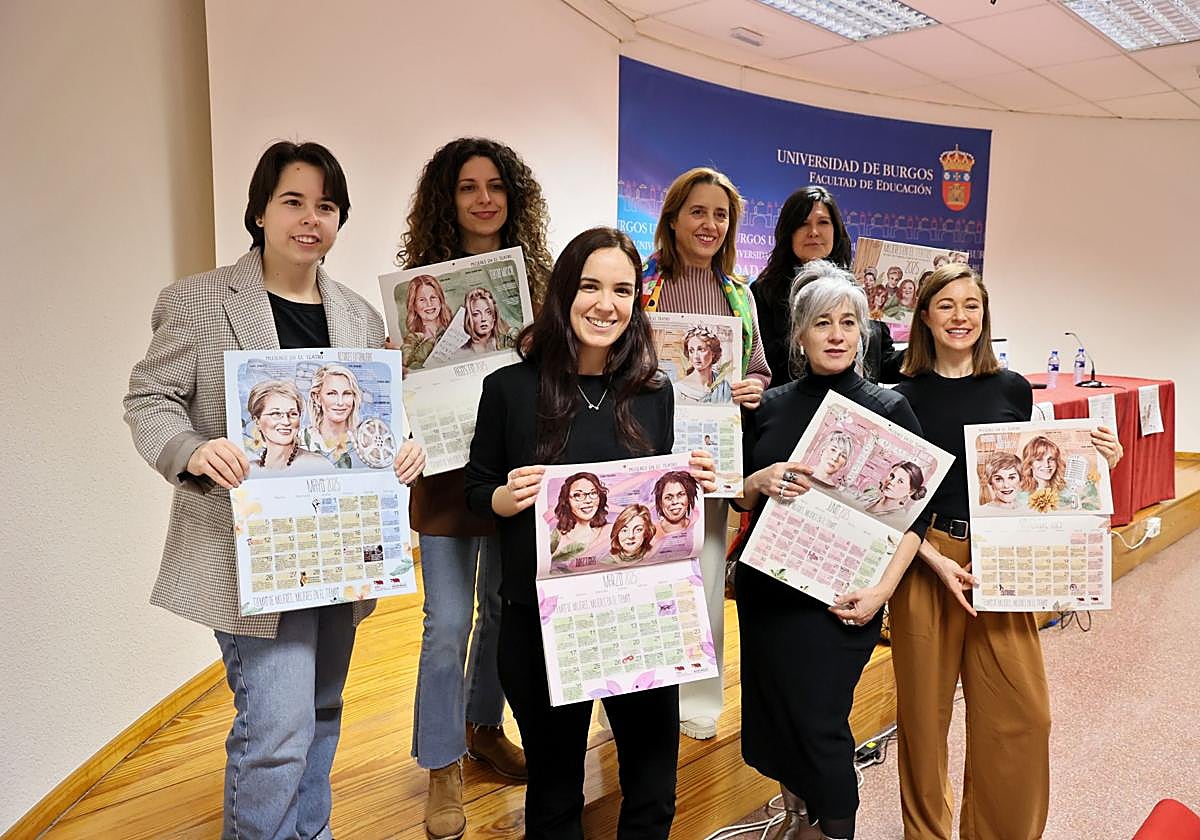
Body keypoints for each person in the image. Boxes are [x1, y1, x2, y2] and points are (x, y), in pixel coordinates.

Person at [124, 141, 425, 840]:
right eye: (293, 201)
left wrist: (400, 449)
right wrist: (194, 451)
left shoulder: (354, 313)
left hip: (338, 553)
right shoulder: (198, 300)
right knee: (277, 729)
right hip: (246, 555)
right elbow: (149, 400)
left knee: (320, 711)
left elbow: (369, 422)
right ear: (259, 211)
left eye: (326, 205)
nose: (309, 218)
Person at [464, 226, 716, 839]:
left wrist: (690, 483)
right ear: (563, 293)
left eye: (623, 290)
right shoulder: (509, 389)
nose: (606, 304)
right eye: (590, 286)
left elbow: (659, 504)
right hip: (544, 621)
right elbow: (475, 491)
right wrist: (503, 497)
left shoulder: (655, 392)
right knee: (553, 795)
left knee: (653, 786)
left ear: (637, 302)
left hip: (642, 617)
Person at [891, 263, 1122, 840]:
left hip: (1002, 555)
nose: (960, 317)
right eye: (945, 305)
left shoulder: (1013, 388)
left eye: (971, 305)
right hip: (926, 557)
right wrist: (929, 558)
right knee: (923, 720)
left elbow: (1037, 477)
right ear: (924, 315)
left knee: (1024, 714)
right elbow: (890, 495)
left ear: (985, 315)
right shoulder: (897, 393)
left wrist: (1099, 461)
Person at [732, 264, 925, 840]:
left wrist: (882, 594)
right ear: (798, 335)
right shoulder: (768, 407)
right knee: (776, 718)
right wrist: (758, 480)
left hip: (843, 599)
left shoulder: (889, 408)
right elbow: (734, 494)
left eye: (848, 322)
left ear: (864, 332)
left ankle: (835, 830)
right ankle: (797, 816)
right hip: (769, 591)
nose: (837, 334)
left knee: (820, 724)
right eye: (822, 323)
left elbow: (916, 518)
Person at [397, 137, 552, 840]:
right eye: (468, 187)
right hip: (443, 475)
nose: (484, 199)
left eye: (495, 186)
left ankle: (483, 727)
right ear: (446, 199)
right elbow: (396, 388)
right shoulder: (414, 293)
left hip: (512, 475)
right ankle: (442, 764)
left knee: (499, 610)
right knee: (447, 622)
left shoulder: (539, 284)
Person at [643, 166, 772, 740]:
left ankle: (697, 697)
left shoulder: (738, 294)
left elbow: (761, 368)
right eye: (698, 211)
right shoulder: (643, 284)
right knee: (644, 571)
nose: (709, 224)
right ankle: (640, 688)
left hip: (712, 458)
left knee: (705, 570)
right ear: (672, 217)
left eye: (721, 215)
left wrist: (753, 386)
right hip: (644, 452)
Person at [754, 186, 901, 386]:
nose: (813, 232)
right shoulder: (764, 292)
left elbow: (883, 363)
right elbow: (762, 367)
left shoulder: (861, 289)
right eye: (803, 224)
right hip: (795, 410)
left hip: (860, 410)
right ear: (788, 232)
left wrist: (930, 349)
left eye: (823, 222)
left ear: (836, 229)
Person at [246, 380, 331, 475]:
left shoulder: (318, 465)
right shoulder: (250, 470)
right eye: (276, 414)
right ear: (257, 421)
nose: (286, 422)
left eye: (293, 414)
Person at [301, 363, 365, 468]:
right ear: (317, 397)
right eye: (332, 394)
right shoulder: (300, 440)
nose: (340, 402)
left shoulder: (366, 441)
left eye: (347, 393)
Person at [549, 471, 610, 568]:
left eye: (593, 493)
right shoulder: (555, 541)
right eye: (578, 495)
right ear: (566, 501)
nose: (588, 500)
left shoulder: (610, 531)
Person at [401, 274, 452, 370]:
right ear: (414, 306)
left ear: (440, 300)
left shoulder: (456, 328)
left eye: (433, 297)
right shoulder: (412, 343)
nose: (429, 304)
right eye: (422, 300)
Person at [673, 325, 733, 403]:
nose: (695, 356)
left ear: (713, 352)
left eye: (701, 349)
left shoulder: (724, 386)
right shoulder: (678, 389)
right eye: (691, 351)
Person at [862, 461, 927, 520]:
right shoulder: (869, 497)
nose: (891, 482)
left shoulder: (898, 518)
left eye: (900, 481)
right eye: (892, 476)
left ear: (911, 491)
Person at [461, 286, 517, 354]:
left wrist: (509, 330)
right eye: (476, 314)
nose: (483, 319)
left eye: (488, 312)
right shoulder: (462, 353)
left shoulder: (506, 343)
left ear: (494, 317)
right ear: (469, 319)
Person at [653, 470, 700, 539]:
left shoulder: (697, 526)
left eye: (680, 495)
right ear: (660, 502)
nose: (675, 502)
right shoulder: (651, 533)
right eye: (668, 497)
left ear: (689, 498)